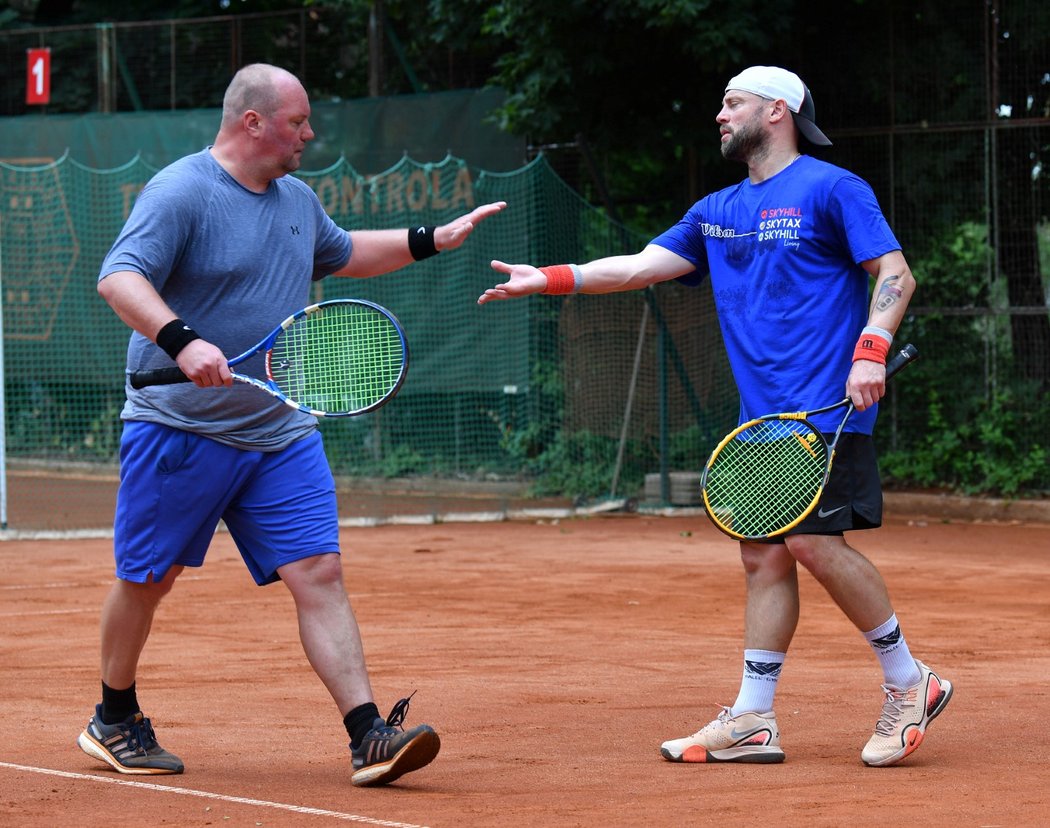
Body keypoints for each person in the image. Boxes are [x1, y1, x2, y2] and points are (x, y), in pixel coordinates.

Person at [477, 65, 951, 768]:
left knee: (813, 545)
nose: (721, 116)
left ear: (778, 110)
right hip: (758, 426)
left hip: (826, 411)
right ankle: (755, 719)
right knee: (763, 556)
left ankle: (911, 681)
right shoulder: (715, 210)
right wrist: (550, 278)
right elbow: (639, 268)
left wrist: (871, 351)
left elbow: (895, 273)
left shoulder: (832, 188)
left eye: (734, 104)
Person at [78, 62, 506, 787]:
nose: (309, 134)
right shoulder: (182, 191)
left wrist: (434, 238)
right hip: (179, 430)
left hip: (277, 433)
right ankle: (114, 717)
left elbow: (343, 254)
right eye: (298, 121)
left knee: (319, 571)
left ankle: (368, 732)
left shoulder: (296, 200)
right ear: (253, 122)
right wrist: (183, 341)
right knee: (149, 579)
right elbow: (120, 276)